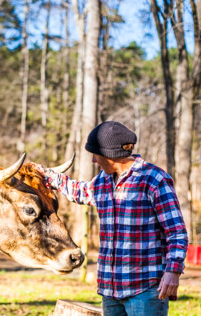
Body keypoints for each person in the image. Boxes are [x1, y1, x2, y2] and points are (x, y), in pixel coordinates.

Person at [34, 121, 188, 316]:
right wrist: (47, 175)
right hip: (110, 290)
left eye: (96, 155)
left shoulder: (154, 179)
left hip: (145, 290)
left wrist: (173, 272)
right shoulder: (103, 181)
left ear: (111, 155)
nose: (94, 161)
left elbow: (177, 232)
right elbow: (79, 191)